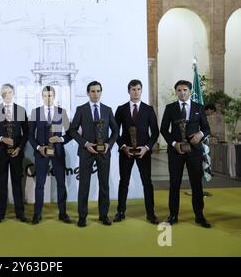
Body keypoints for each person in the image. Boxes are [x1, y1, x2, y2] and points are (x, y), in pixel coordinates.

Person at [160, 80, 211, 228]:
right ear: (176, 91)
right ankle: (173, 215)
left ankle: (199, 215)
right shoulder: (170, 108)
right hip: (176, 152)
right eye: (179, 90)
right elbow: (164, 129)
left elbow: (206, 128)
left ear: (190, 91)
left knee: (196, 184)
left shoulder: (198, 107)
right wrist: (174, 144)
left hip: (194, 152)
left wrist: (200, 135)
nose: (182, 93)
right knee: (174, 184)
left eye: (185, 90)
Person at [68, 81, 118, 227]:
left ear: (101, 92)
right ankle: (82, 217)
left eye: (98, 91)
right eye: (92, 91)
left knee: (104, 185)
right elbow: (72, 130)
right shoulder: (81, 109)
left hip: (104, 153)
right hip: (86, 152)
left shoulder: (108, 110)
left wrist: (109, 144)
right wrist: (85, 144)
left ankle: (104, 216)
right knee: (84, 185)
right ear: (88, 93)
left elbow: (115, 130)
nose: (95, 94)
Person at [113, 79, 160, 224]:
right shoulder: (121, 109)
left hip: (143, 152)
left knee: (147, 183)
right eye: (133, 89)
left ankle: (150, 213)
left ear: (141, 90)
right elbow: (115, 132)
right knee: (124, 182)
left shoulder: (148, 109)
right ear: (128, 91)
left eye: (138, 89)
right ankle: (120, 212)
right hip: (126, 152)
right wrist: (123, 147)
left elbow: (155, 133)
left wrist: (146, 147)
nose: (136, 92)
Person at [28, 86, 72, 224]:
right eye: (46, 95)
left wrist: (62, 139)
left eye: (51, 95)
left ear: (54, 96)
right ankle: (37, 213)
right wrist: (38, 147)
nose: (48, 98)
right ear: (42, 96)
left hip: (58, 152)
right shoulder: (35, 112)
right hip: (41, 153)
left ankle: (63, 213)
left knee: (61, 184)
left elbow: (71, 133)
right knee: (40, 184)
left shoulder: (61, 112)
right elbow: (30, 134)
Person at [0, 84, 28, 223]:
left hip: (16, 152)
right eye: (4, 93)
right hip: (0, 153)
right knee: (2, 183)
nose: (7, 95)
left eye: (9, 92)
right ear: (1, 94)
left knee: (17, 183)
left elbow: (26, 133)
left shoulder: (20, 110)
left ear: (13, 93)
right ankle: (0, 213)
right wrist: (1, 138)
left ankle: (20, 212)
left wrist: (19, 148)